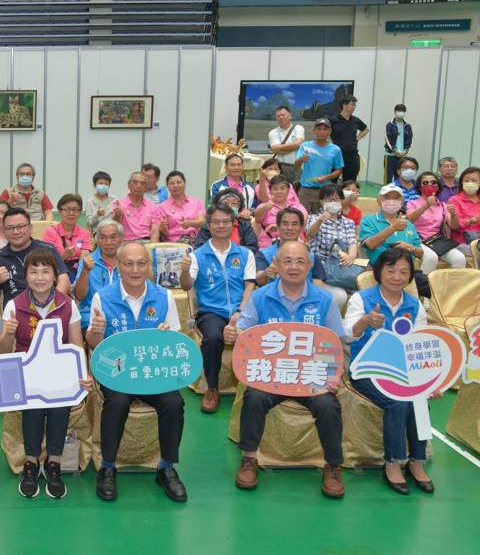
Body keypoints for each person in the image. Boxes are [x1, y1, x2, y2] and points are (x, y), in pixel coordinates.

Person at [229, 241, 348, 498]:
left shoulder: (324, 300)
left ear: (310, 265)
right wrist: (233, 332)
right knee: (253, 397)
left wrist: (330, 376)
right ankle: (250, 459)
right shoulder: (260, 297)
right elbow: (245, 334)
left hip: (311, 375)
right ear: (277, 265)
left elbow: (332, 343)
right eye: (287, 261)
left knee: (329, 406)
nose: (293, 267)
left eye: (300, 261)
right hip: (272, 375)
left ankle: (333, 466)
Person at [85, 242, 187, 503]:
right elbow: (95, 344)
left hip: (152, 373)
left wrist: (167, 336)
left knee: (173, 402)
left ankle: (166, 467)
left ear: (149, 266)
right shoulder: (103, 297)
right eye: (128, 264)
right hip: (117, 372)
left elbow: (176, 341)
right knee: (117, 402)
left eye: (141, 263)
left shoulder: (164, 296)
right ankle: (107, 467)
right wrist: (96, 330)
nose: (135, 269)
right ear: (118, 267)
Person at [0, 249, 91, 500]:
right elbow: (3, 352)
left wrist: (82, 376)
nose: (40, 277)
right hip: (27, 374)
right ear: (26, 276)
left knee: (59, 404)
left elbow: (75, 344)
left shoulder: (67, 303)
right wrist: (7, 333)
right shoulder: (13, 305)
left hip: (58, 372)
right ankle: (30, 463)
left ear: (55, 276)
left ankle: (54, 463)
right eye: (34, 272)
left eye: (45, 272)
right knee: (33, 406)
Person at [344, 248, 437, 494]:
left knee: (419, 400)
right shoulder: (361, 299)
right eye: (391, 270)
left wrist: (429, 381)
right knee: (398, 403)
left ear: (409, 276)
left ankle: (417, 461)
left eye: (404, 272)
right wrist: (365, 321)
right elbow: (347, 336)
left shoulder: (413, 304)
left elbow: (420, 343)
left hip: (402, 369)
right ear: (379, 272)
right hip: (366, 369)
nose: (397, 276)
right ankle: (393, 462)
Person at [180, 204, 257, 414]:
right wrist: (184, 271)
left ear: (233, 224)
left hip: (242, 310)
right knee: (213, 337)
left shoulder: (244, 254)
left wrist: (241, 312)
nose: (221, 225)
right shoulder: (198, 255)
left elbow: (250, 285)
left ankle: (255, 387)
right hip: (211, 311)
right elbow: (187, 285)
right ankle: (212, 388)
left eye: (225, 221)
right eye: (216, 222)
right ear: (209, 225)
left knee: (259, 334)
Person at [0, 208, 70, 349]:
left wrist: (52, 306)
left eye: (21, 226)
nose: (16, 232)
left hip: (51, 310)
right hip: (15, 316)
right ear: (4, 231)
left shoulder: (47, 249)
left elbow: (63, 278)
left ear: (30, 228)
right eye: (10, 228)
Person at [305, 185, 362, 297]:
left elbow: (352, 242)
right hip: (321, 265)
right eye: (328, 199)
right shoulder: (313, 218)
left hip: (341, 265)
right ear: (322, 202)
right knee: (339, 296)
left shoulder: (348, 222)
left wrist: (351, 256)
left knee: (359, 293)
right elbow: (310, 234)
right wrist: (320, 221)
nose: (332, 202)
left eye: (335, 199)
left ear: (341, 200)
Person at [407, 172, 466, 269]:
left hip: (437, 241)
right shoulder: (412, 203)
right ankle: (424, 284)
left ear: (438, 186)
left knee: (459, 258)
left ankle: (451, 284)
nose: (430, 185)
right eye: (425, 183)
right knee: (431, 258)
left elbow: (454, 226)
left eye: (433, 182)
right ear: (419, 187)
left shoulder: (443, 205)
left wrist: (454, 214)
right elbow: (410, 219)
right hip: (418, 240)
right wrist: (426, 205)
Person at [74, 218, 122, 334]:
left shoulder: (128, 261)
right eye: (103, 238)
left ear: (121, 239)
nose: (108, 242)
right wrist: (85, 271)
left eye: (113, 237)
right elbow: (79, 296)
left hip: (123, 316)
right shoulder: (87, 261)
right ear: (97, 240)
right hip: (92, 318)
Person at [293, 118, 343, 213]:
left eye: (325, 129)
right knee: (302, 217)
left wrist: (327, 177)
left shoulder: (336, 149)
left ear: (330, 131)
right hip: (305, 189)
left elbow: (339, 170)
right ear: (314, 130)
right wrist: (301, 159)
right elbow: (296, 165)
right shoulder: (305, 146)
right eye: (319, 129)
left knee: (324, 219)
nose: (322, 132)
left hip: (325, 191)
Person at [195, 188, 261, 257]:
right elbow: (199, 248)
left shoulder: (245, 225)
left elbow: (252, 247)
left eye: (234, 203)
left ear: (239, 207)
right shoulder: (208, 225)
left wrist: (233, 257)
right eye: (225, 203)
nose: (230, 206)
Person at [41, 193, 91, 275]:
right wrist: (63, 256)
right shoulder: (50, 232)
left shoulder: (84, 233)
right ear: (60, 211)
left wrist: (78, 279)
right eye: (67, 210)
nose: (71, 213)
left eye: (75, 210)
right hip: (55, 272)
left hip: (77, 273)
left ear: (80, 212)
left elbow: (85, 256)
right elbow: (46, 262)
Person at [151, 171, 205, 245]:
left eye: (179, 182)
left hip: (195, 241)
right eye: (172, 183)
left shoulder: (197, 202)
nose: (176, 185)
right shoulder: (162, 207)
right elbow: (165, 233)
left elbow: (201, 222)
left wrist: (189, 223)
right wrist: (163, 228)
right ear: (167, 186)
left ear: (185, 184)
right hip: (174, 243)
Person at [254, 175, 307, 248]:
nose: (279, 192)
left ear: (288, 190)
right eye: (275, 189)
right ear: (270, 191)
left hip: (295, 245)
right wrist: (265, 208)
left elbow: (303, 221)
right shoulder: (264, 206)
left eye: (283, 188)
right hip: (269, 245)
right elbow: (257, 219)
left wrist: (278, 226)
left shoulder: (297, 206)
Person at [329, 95, 367, 182]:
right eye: (352, 104)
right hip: (336, 156)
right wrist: (329, 143)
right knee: (331, 183)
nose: (354, 107)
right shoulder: (333, 120)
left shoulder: (356, 120)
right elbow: (325, 132)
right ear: (344, 105)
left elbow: (366, 129)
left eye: (355, 105)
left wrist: (357, 138)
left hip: (352, 156)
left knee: (349, 183)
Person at [112, 171, 156, 242]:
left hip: (146, 243)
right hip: (127, 243)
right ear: (129, 185)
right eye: (135, 182)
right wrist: (117, 215)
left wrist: (153, 248)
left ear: (146, 187)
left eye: (142, 183)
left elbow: (154, 231)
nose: (139, 186)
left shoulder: (152, 206)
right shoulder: (119, 204)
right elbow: (114, 227)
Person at [267, 105, 305, 182]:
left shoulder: (298, 128)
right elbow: (275, 150)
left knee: (296, 190)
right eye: (278, 116)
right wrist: (295, 146)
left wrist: (280, 148)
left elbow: (297, 144)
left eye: (283, 115)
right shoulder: (273, 132)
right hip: (280, 167)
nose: (281, 117)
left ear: (290, 116)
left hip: (296, 167)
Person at [449, 165, 480, 245]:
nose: (470, 183)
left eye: (474, 180)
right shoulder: (455, 200)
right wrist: (472, 220)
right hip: (464, 241)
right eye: (466, 180)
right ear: (462, 182)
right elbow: (455, 226)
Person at [384, 104, 413, 184]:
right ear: (395, 112)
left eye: (403, 111)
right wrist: (394, 150)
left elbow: (409, 139)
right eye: (399, 111)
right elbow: (388, 139)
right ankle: (387, 194)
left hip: (402, 156)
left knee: (400, 177)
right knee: (388, 177)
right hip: (390, 155)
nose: (401, 112)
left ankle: (398, 193)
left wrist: (405, 150)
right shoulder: (389, 125)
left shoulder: (407, 126)